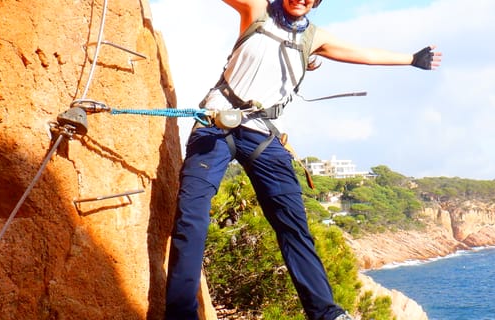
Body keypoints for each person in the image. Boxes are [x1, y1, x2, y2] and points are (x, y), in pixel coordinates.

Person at [164, 0, 441, 319]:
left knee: (293, 224)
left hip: (262, 133)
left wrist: (412, 59)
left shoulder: (314, 38)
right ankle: (181, 314)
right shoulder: (256, 10)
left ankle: (325, 313)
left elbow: (363, 54)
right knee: (192, 215)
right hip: (218, 121)